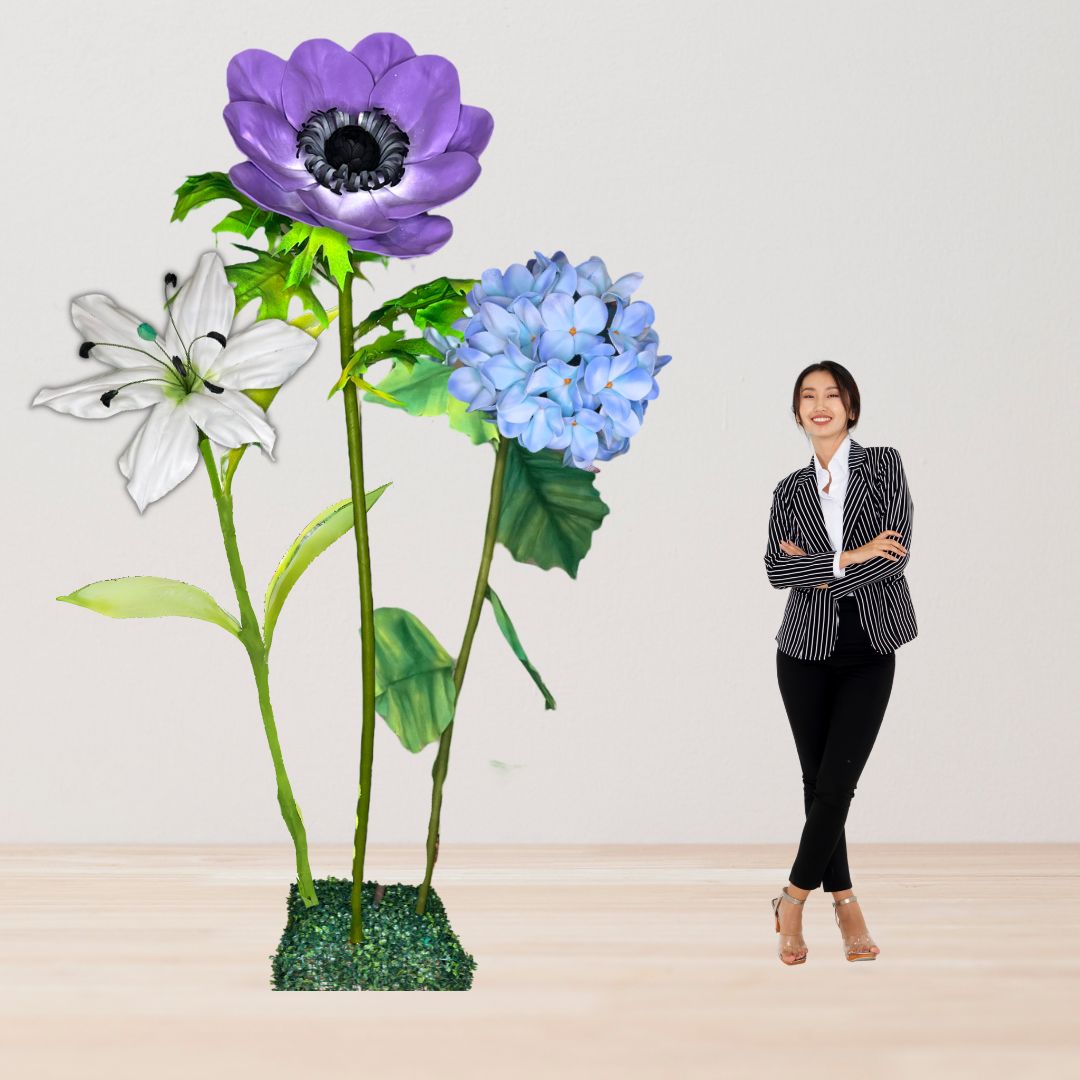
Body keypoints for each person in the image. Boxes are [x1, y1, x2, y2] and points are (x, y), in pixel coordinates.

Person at [763, 362, 916, 964]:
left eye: (833, 395)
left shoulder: (884, 465)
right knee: (819, 785)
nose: (820, 404)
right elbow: (778, 571)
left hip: (871, 649)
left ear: (851, 407)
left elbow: (895, 554)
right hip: (802, 651)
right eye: (808, 396)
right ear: (797, 412)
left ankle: (793, 899)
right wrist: (851, 555)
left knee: (837, 784)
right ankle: (845, 898)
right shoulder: (789, 490)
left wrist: (819, 563)